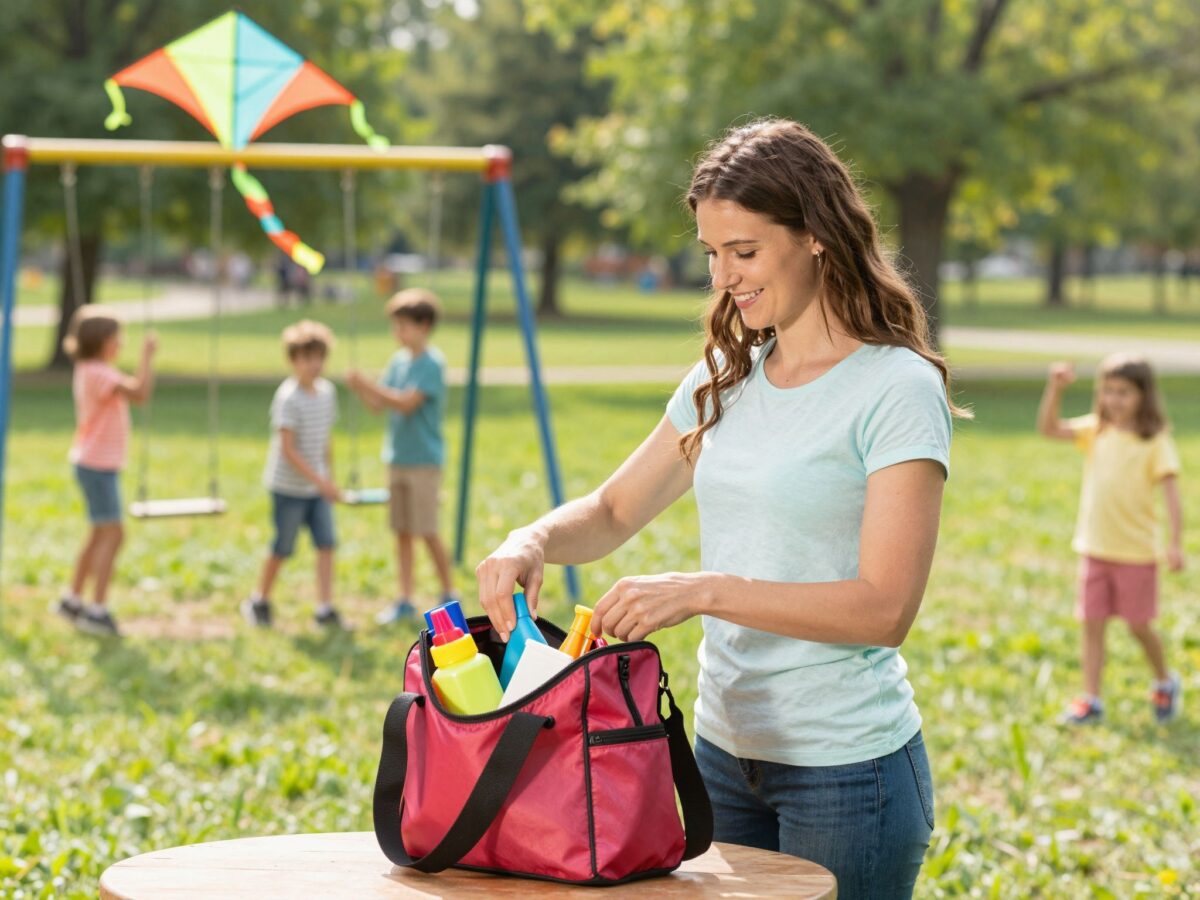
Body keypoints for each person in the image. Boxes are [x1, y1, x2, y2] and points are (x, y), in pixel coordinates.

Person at [475, 118, 966, 896]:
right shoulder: (725, 374)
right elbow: (611, 510)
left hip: (847, 774)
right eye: (711, 254)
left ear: (815, 236)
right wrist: (531, 537)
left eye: (744, 252)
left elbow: (883, 609)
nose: (723, 277)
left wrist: (700, 590)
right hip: (723, 756)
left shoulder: (894, 388)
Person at [1037, 355, 1184, 724]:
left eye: (1124, 392)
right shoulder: (1096, 430)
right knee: (1093, 623)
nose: (1114, 399)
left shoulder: (1154, 442)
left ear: (1143, 396)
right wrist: (1055, 387)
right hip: (1094, 548)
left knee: (1138, 624)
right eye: (1108, 390)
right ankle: (1091, 698)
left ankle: (1165, 681)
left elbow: (1172, 497)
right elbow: (1049, 429)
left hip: (1136, 553)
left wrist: (1176, 543)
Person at [346, 288, 458, 624]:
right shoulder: (398, 361)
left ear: (423, 325)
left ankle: (448, 591)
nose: (397, 332)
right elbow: (379, 404)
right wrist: (362, 389)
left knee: (427, 529)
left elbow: (406, 403)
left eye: (403, 325)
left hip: (424, 460)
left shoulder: (432, 364)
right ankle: (405, 597)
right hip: (397, 457)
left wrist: (369, 384)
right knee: (402, 531)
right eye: (395, 326)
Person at [56, 306, 156, 636]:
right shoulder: (101, 374)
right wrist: (147, 356)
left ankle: (72, 599)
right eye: (117, 338)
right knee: (114, 535)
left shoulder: (88, 369)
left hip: (93, 462)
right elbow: (140, 394)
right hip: (97, 465)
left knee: (99, 533)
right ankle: (96, 609)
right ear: (101, 341)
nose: (121, 344)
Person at [243, 320, 346, 630]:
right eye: (306, 358)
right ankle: (258, 599)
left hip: (317, 488)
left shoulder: (327, 393)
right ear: (293, 360)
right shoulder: (288, 397)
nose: (313, 365)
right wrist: (320, 480)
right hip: (288, 488)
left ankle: (324, 608)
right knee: (283, 546)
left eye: (319, 358)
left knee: (326, 544)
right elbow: (288, 450)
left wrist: (329, 478)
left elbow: (326, 439)